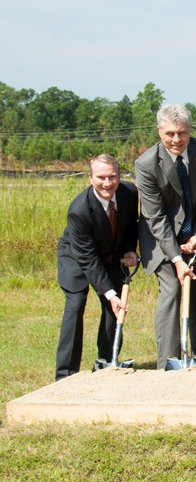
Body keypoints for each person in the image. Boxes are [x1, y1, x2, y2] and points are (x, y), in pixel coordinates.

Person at [135, 104, 196, 369]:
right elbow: (156, 217)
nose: (176, 140)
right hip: (162, 240)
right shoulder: (147, 164)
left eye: (182, 133)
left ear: (190, 130)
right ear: (160, 131)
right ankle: (168, 363)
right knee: (172, 292)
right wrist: (176, 257)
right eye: (170, 133)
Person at [55, 155, 139, 380]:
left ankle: (105, 363)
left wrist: (130, 250)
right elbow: (88, 259)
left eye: (112, 176)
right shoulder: (79, 210)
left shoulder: (129, 193)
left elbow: (131, 225)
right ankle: (65, 374)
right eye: (101, 177)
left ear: (120, 177)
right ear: (91, 178)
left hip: (110, 256)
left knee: (114, 309)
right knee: (76, 305)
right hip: (77, 258)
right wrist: (110, 294)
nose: (107, 183)